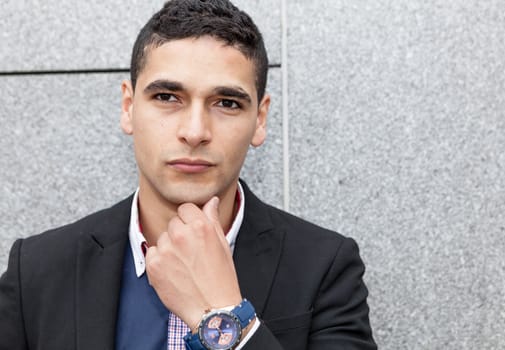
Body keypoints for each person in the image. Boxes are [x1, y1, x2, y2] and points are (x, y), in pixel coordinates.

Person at [0, 0, 376, 349]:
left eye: (226, 103)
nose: (195, 131)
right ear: (129, 107)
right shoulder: (36, 269)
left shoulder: (325, 266)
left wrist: (225, 318)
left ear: (259, 120)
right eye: (167, 97)